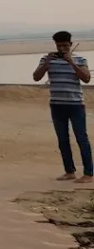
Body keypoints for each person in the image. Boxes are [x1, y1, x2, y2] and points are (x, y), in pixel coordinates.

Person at [33, 31, 92, 183]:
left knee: (81, 138)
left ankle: (88, 173)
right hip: (57, 105)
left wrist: (71, 62)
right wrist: (46, 63)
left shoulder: (80, 59)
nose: (62, 49)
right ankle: (69, 171)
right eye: (59, 46)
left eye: (65, 46)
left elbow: (86, 78)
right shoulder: (47, 59)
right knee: (62, 140)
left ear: (70, 45)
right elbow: (36, 77)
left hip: (76, 105)